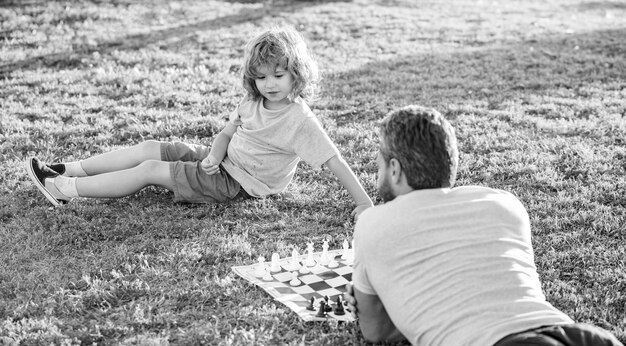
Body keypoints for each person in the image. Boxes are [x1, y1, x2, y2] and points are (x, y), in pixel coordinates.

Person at [342, 105, 622, 346]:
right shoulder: (503, 203)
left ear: (395, 168)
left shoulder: (372, 223)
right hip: (581, 336)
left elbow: (376, 331)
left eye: (378, 162)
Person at [25, 26, 373, 219]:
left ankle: (62, 190)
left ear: (296, 73)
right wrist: (213, 154)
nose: (269, 84)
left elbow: (335, 162)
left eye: (278, 75)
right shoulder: (253, 100)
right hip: (221, 162)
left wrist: (362, 203)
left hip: (238, 183)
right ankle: (65, 168)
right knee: (150, 148)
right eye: (261, 77)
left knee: (149, 169)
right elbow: (226, 133)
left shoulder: (299, 119)